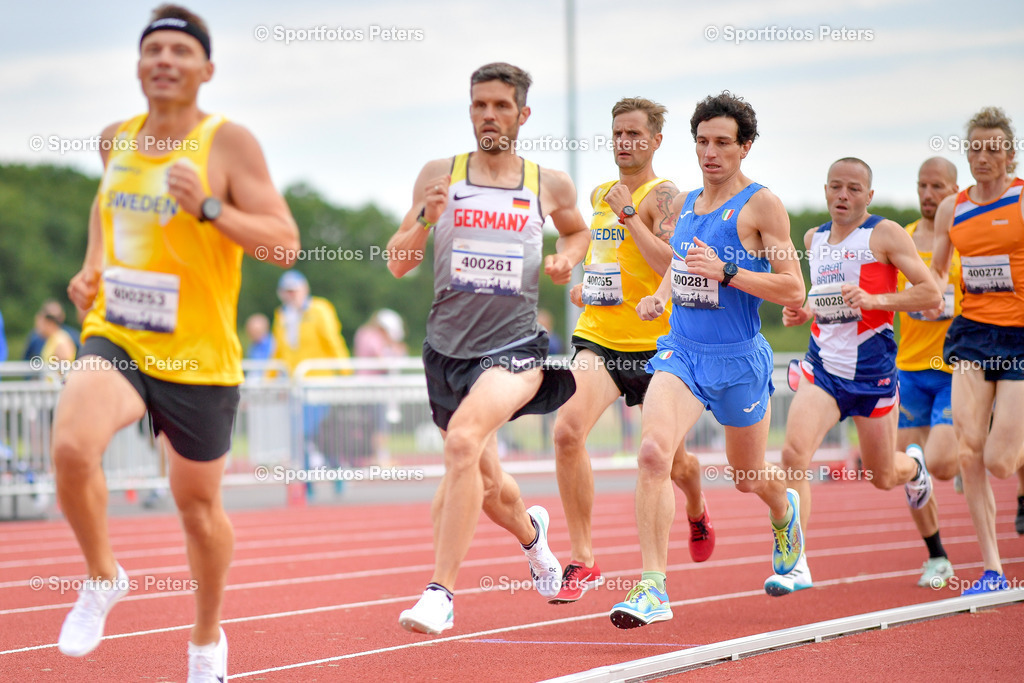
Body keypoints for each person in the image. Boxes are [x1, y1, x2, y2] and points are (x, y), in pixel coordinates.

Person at [52, 6, 299, 682]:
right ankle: (104, 576)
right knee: (71, 446)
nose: (164, 59)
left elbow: (285, 244)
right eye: (152, 49)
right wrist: (90, 266)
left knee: (196, 506)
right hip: (119, 334)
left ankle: (206, 638)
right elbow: (108, 208)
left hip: (200, 356)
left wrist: (211, 210)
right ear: (137, 66)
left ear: (206, 70)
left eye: (179, 51)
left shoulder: (229, 144)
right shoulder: (114, 140)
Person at [386, 62, 589, 635]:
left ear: (523, 114)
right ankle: (533, 536)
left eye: (501, 106)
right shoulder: (439, 175)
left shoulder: (546, 184)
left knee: (464, 444)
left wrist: (565, 259)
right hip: (448, 352)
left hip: (515, 347)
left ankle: (440, 592)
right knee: (490, 486)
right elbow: (398, 263)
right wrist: (424, 222)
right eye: (479, 105)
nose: (489, 116)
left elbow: (577, 231)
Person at [613, 92, 807, 629]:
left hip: (740, 359)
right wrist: (661, 293)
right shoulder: (686, 204)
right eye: (702, 142)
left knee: (747, 475)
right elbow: (679, 263)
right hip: (683, 353)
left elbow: (793, 287)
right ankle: (653, 586)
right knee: (653, 454)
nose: (711, 153)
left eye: (723, 143)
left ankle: (783, 509)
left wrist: (729, 272)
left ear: (745, 147)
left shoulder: (761, 205)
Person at [551, 97, 712, 605]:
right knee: (566, 431)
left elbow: (673, 260)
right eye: (618, 133)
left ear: (656, 141)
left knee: (671, 463)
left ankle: (697, 507)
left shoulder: (665, 197)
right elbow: (605, 259)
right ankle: (584, 557)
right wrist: (587, 287)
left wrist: (629, 213)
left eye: (636, 134)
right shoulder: (600, 192)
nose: (625, 142)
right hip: (600, 336)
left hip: (658, 348)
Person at [771, 158, 942, 597]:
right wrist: (804, 310)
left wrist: (875, 298)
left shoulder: (884, 234)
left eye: (853, 188)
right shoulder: (814, 239)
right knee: (793, 455)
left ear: (868, 194)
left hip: (872, 377)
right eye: (835, 187)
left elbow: (929, 292)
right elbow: (824, 300)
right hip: (823, 369)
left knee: (884, 476)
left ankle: (914, 465)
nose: (842, 196)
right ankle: (797, 563)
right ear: (826, 190)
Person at [930, 106, 1024, 593]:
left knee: (1001, 459)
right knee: (969, 448)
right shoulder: (954, 208)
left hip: (1020, 336)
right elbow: (936, 273)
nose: (982, 158)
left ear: (1010, 153)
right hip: (971, 333)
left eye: (992, 149)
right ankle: (993, 569)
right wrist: (916, 296)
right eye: (974, 149)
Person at [894, 158, 961, 588]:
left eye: (938, 186)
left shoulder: (966, 239)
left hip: (956, 370)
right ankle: (937, 556)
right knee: (907, 471)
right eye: (922, 185)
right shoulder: (901, 239)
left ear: (956, 190)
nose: (928, 194)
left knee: (938, 463)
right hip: (910, 370)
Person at [271, 270, 352, 496]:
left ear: (304, 290)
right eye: (287, 291)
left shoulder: (319, 309)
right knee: (301, 436)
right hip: (295, 386)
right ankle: (309, 485)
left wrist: (346, 374)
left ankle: (334, 474)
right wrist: (268, 381)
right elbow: (278, 352)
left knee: (312, 434)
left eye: (294, 290)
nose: (291, 295)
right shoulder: (282, 315)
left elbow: (333, 341)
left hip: (320, 383)